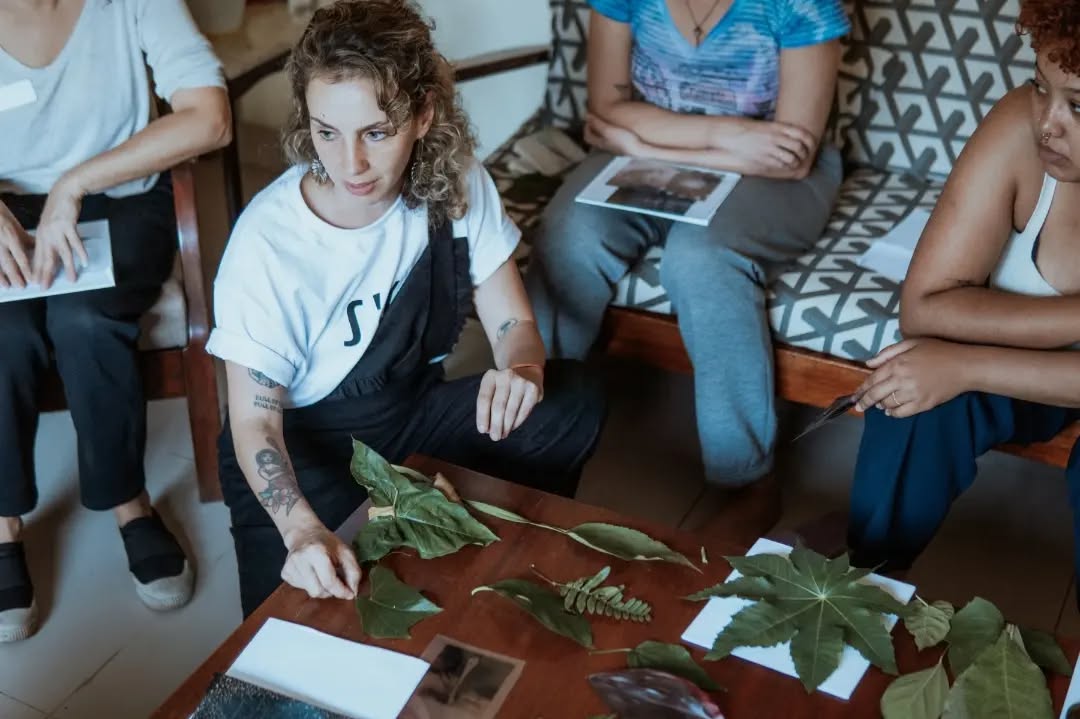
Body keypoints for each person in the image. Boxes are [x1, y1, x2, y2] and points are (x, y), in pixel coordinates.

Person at [208, 0, 605, 618]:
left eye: (376, 132)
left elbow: (514, 324)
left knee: (569, 401)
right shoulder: (268, 242)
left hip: (409, 412)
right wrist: (301, 530)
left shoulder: (456, 182)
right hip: (306, 447)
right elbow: (254, 423)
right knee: (300, 619)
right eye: (327, 132)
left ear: (422, 115)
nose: (351, 164)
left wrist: (522, 371)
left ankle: (499, 552)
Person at [524, 0, 849, 539]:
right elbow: (605, 109)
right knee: (570, 235)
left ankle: (748, 482)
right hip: (664, 155)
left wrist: (640, 139)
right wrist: (730, 135)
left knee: (701, 258)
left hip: (774, 179)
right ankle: (530, 429)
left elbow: (791, 156)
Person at [0, 0, 230, 643]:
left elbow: (210, 117)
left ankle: (130, 502)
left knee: (86, 318)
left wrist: (74, 183)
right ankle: (2, 523)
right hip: (5, 208)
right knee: (4, 331)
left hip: (120, 195)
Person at [846, 0, 1080, 583]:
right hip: (1024, 371)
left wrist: (968, 363)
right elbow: (925, 306)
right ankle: (859, 589)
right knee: (912, 397)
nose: (1048, 124)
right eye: (1040, 86)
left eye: (1078, 106)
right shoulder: (1020, 129)